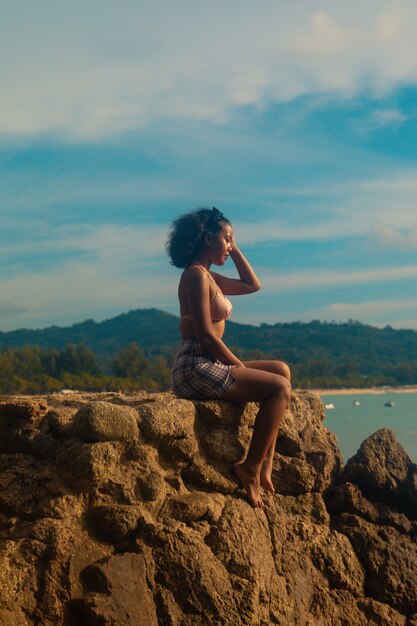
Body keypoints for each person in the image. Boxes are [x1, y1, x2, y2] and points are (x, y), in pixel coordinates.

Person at [166, 207, 291, 508]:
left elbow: (252, 285)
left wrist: (233, 249)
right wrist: (238, 365)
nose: (230, 245)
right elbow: (207, 337)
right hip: (195, 364)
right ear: (208, 239)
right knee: (279, 389)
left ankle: (264, 463)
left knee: (281, 370)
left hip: (208, 360)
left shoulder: (208, 275)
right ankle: (249, 467)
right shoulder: (195, 276)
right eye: (227, 239)